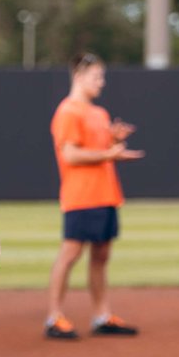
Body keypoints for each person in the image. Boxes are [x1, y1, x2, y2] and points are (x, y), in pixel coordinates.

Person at [45, 51, 145, 340]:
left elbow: (98, 150)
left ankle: (102, 316)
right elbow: (70, 154)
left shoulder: (99, 113)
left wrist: (113, 139)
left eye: (102, 77)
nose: (101, 82)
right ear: (78, 76)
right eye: (96, 76)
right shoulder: (68, 111)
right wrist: (109, 153)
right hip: (81, 195)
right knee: (70, 254)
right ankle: (54, 317)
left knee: (101, 255)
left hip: (105, 193)